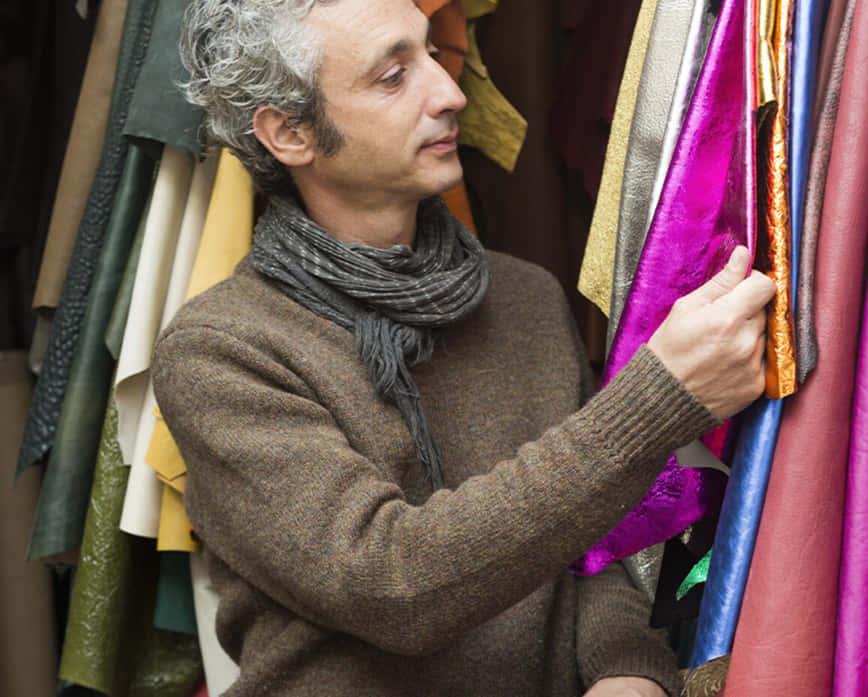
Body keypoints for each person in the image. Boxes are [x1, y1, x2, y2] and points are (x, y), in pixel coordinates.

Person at [151, 0, 776, 695]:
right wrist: (655, 402)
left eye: (430, 54)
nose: (450, 93)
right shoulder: (222, 351)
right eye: (393, 76)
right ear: (290, 133)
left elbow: (590, 545)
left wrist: (626, 670)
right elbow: (391, 585)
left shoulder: (526, 297)